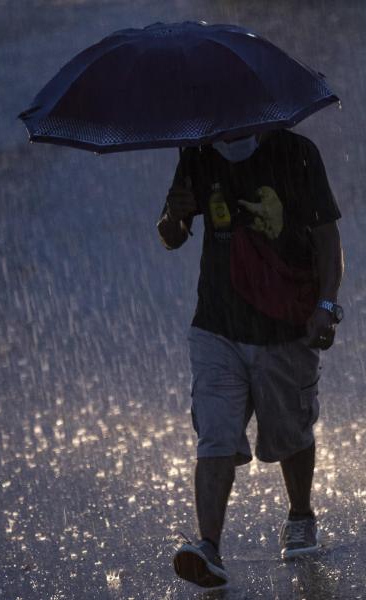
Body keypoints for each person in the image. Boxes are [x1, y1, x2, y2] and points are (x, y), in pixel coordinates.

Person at [157, 129, 344, 588]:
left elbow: (326, 237)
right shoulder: (197, 154)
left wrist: (326, 304)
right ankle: (209, 546)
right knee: (216, 432)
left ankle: (300, 515)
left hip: (285, 322)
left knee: (289, 430)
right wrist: (174, 218)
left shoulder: (297, 152)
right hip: (216, 324)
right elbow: (171, 235)